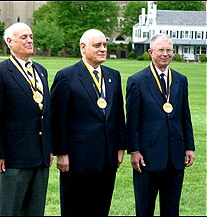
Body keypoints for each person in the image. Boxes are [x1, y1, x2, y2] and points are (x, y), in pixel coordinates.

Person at [50, 29, 126, 216]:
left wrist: (120, 147)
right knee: (75, 208)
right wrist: (61, 152)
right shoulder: (66, 76)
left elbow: (118, 114)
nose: (103, 49)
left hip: (107, 157)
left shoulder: (113, 76)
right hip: (78, 158)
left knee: (101, 207)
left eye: (105, 45)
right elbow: (58, 118)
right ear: (83, 48)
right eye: (97, 45)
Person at [0, 22, 53, 216]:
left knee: (35, 210)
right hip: (13, 157)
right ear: (9, 42)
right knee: (11, 209)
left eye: (31, 36)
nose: (30, 40)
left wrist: (49, 147)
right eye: (24, 37)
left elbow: (45, 113)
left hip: (40, 156)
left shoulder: (41, 71)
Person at [126, 33, 195, 216]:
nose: (165, 54)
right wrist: (134, 151)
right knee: (144, 208)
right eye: (160, 50)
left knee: (172, 209)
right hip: (147, 157)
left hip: (175, 156)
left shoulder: (181, 80)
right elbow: (132, 121)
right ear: (150, 52)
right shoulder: (137, 81)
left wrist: (189, 146)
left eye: (169, 50)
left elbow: (184, 115)